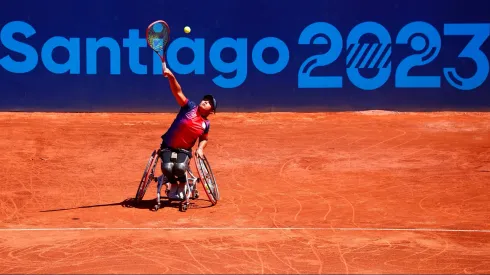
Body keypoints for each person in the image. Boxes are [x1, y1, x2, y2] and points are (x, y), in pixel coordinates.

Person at [158, 65, 217, 199]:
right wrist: (171, 76)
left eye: (208, 103)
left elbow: (204, 139)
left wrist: (200, 149)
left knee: (179, 168)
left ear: (211, 111)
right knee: (167, 168)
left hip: (184, 150)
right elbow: (178, 92)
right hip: (167, 145)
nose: (204, 102)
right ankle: (172, 183)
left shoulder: (205, 124)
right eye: (204, 100)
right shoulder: (189, 107)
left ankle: (183, 183)